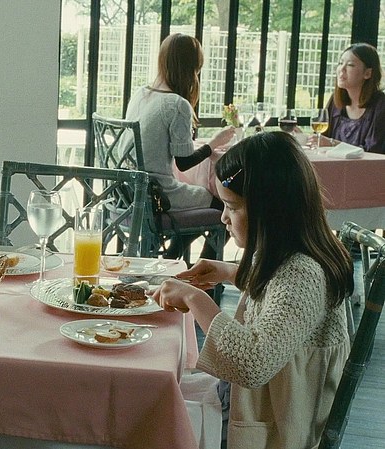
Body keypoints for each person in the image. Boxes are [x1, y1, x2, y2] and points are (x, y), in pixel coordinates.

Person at [152, 131, 354, 448]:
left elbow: (252, 364)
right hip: (261, 404)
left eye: (232, 207)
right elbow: (283, 302)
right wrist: (230, 272)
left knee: (151, 413)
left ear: (270, 210)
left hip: (272, 425)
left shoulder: (304, 273)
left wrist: (195, 299)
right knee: (158, 394)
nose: (223, 217)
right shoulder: (290, 253)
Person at [122, 33, 235, 258]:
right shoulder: (176, 104)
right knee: (224, 210)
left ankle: (172, 258)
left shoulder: (141, 94)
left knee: (198, 204)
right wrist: (215, 142)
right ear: (191, 68)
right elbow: (184, 162)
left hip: (126, 192)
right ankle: (203, 271)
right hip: (157, 195)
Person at [320, 42, 385, 153]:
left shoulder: (380, 104)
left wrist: (333, 143)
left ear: (368, 73)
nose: (342, 69)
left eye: (350, 65)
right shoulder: (335, 101)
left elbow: (373, 151)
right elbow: (322, 138)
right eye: (340, 63)